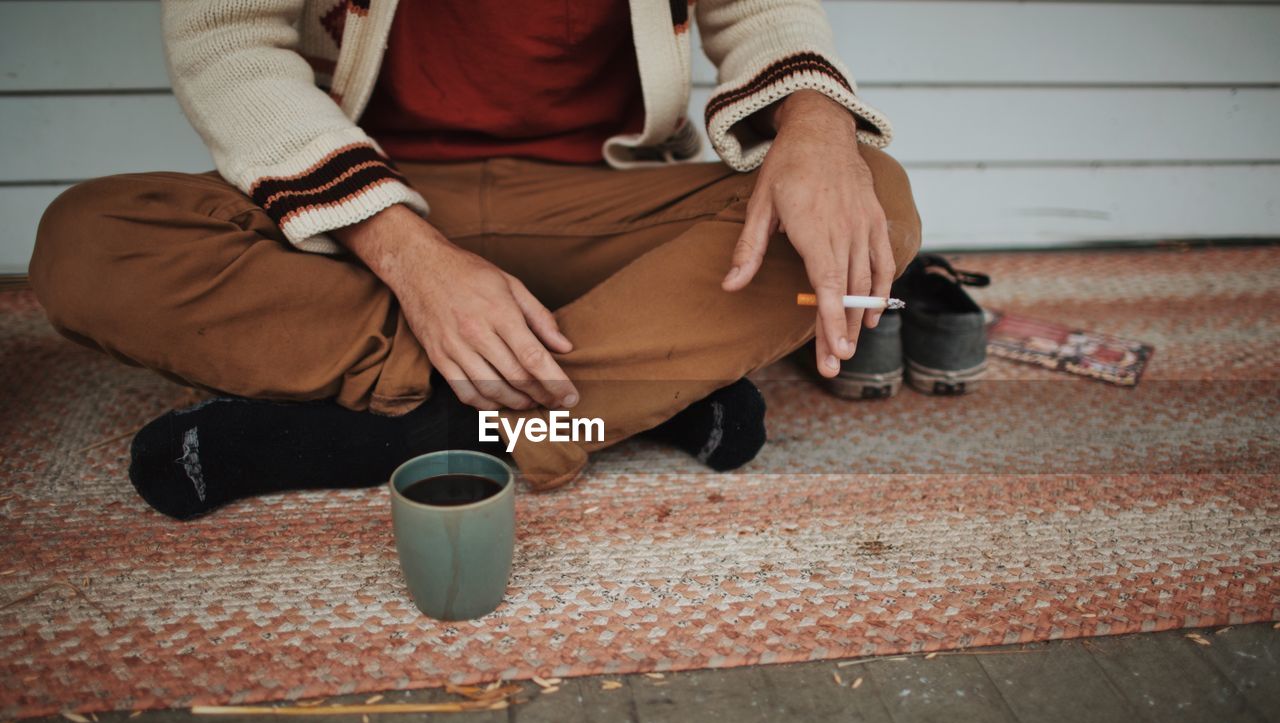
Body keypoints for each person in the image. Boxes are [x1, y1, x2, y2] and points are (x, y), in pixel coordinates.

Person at [28, 0, 922, 519]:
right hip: (367, 203)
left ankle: (413, 432)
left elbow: (761, 9)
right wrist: (410, 257)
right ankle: (621, 399)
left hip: (598, 200)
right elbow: (227, 49)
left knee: (869, 191)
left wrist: (815, 124)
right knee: (90, 240)